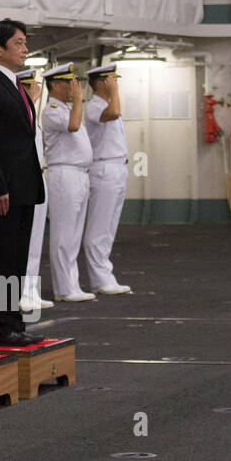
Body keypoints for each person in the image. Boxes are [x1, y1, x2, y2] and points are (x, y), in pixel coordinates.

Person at [0, 18, 45, 347]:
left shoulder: (14, 84)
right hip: (5, 190)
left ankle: (13, 322)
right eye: (18, 43)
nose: (25, 48)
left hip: (23, 187)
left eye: (25, 42)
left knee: (16, 258)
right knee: (1, 258)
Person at [39, 63, 97, 303]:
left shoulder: (67, 108)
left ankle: (72, 283)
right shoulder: (52, 109)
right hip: (63, 174)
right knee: (64, 232)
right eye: (68, 82)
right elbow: (73, 127)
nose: (73, 86)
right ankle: (64, 287)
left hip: (79, 174)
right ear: (54, 85)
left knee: (74, 233)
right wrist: (80, 99)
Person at [83, 64, 133, 295]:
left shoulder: (108, 104)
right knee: (99, 227)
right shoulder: (94, 106)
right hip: (103, 168)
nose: (116, 82)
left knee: (109, 226)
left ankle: (105, 275)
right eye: (112, 79)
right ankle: (100, 278)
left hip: (117, 168)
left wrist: (113, 94)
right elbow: (113, 114)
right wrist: (114, 93)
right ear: (101, 82)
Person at [17, 68, 54, 312]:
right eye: (30, 87)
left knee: (36, 240)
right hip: (25, 179)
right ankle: (20, 292)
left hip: (39, 176)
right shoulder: (21, 115)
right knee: (24, 240)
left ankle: (31, 289)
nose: (35, 91)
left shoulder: (32, 115)